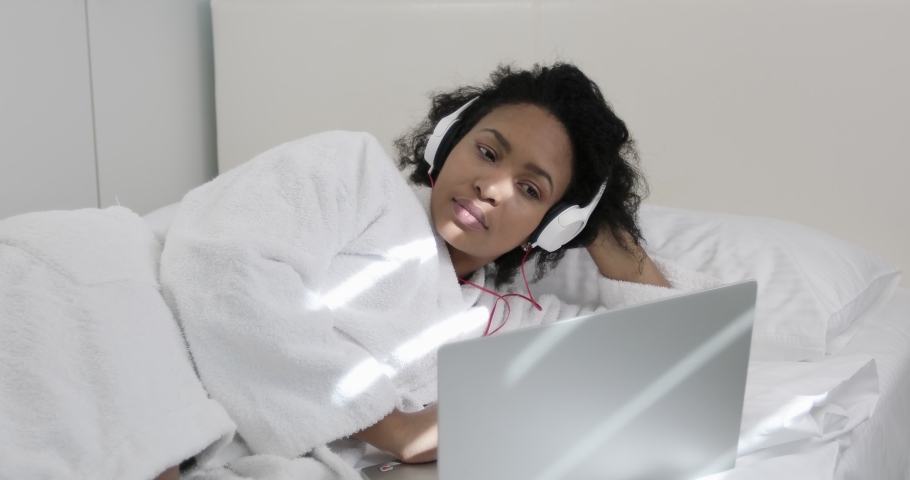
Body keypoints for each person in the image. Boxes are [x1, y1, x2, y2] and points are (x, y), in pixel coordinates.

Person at [159, 63, 717, 477]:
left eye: (530, 189)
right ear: (448, 142)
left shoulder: (501, 322)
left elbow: (686, 354)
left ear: (555, 227)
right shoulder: (350, 172)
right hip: (137, 332)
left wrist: (600, 225)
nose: (492, 187)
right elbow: (224, 267)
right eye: (488, 152)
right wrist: (393, 429)